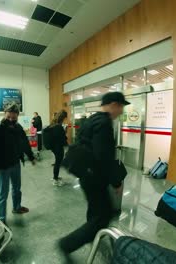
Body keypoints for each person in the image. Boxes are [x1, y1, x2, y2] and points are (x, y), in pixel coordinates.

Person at [58, 92, 129, 258]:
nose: (121, 110)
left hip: (86, 174)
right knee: (103, 215)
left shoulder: (93, 119)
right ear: (113, 104)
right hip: (95, 177)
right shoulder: (104, 124)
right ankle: (67, 244)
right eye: (120, 106)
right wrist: (116, 182)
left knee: (95, 209)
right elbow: (104, 156)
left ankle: (93, 235)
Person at [0, 103, 36, 225]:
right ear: (4, 114)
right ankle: (2, 218)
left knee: (17, 188)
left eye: (13, 118)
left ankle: (17, 207)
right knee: (3, 193)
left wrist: (31, 156)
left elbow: (24, 143)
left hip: (15, 163)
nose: (10, 120)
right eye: (8, 117)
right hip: (3, 166)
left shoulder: (18, 128)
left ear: (17, 117)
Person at [49, 110, 68, 187]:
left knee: (57, 162)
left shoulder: (53, 124)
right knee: (58, 163)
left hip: (54, 147)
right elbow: (62, 138)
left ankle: (55, 177)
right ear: (63, 118)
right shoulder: (58, 126)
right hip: (58, 147)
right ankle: (55, 179)